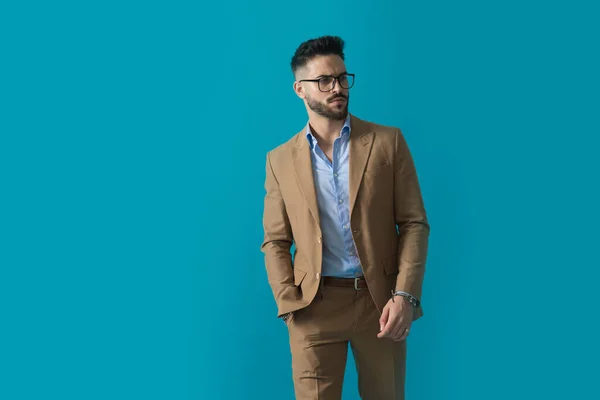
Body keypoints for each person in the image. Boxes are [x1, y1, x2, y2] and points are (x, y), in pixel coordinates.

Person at [260, 35, 430, 400]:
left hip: (380, 304)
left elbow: (414, 223)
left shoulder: (388, 142)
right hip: (313, 307)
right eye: (324, 81)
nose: (337, 87)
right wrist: (288, 302)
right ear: (300, 89)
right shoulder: (279, 160)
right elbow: (275, 241)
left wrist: (405, 296)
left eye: (341, 77)